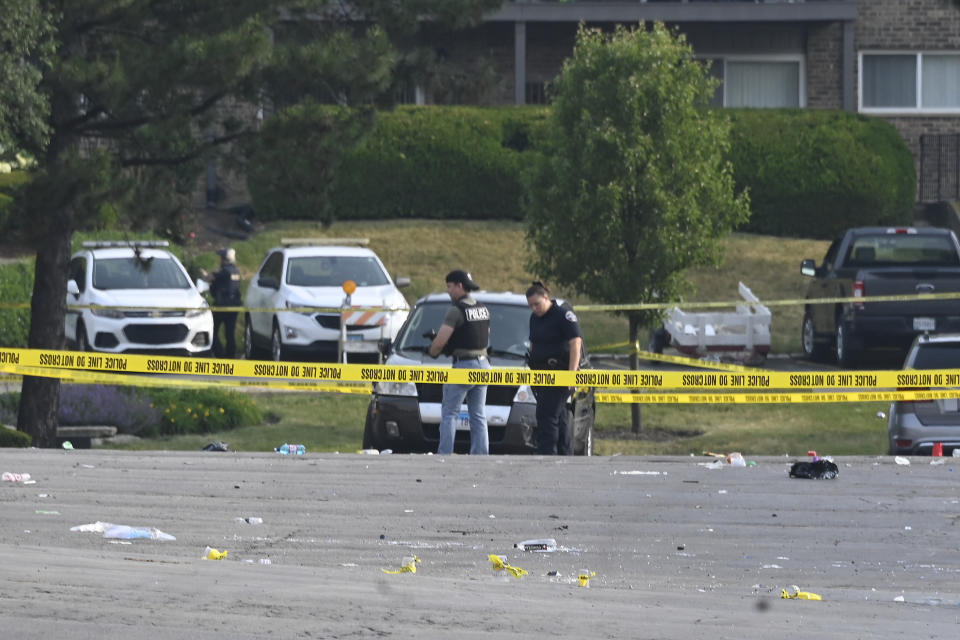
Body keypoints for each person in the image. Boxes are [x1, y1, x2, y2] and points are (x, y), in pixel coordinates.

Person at [427, 269, 491, 455]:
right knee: (478, 414)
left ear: (459, 286)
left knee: (449, 413)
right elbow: (483, 337)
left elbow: (440, 342)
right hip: (484, 364)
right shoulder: (482, 308)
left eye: (449, 286)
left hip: (464, 366)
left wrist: (431, 350)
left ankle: (445, 454)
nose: (448, 291)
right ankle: (481, 455)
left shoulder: (456, 311)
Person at [526, 281, 584, 455]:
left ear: (546, 297)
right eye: (530, 305)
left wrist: (571, 375)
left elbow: (576, 342)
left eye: (537, 304)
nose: (534, 308)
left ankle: (547, 453)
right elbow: (533, 343)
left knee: (546, 414)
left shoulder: (562, 314)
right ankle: (565, 453)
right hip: (541, 374)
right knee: (560, 415)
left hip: (560, 372)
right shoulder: (534, 318)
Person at [205, 248, 242, 358]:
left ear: (224, 259)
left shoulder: (223, 271)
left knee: (212, 330)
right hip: (234, 306)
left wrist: (204, 274)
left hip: (222, 306)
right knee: (230, 334)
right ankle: (230, 357)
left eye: (220, 258)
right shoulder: (236, 271)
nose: (219, 260)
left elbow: (207, 278)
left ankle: (220, 355)